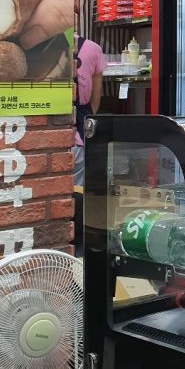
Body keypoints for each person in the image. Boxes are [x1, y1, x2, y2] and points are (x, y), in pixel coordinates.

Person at [72, 34, 106, 250]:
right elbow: (96, 98)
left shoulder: (50, 45)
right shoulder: (93, 48)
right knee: (77, 188)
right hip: (79, 128)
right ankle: (76, 241)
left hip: (48, 127)